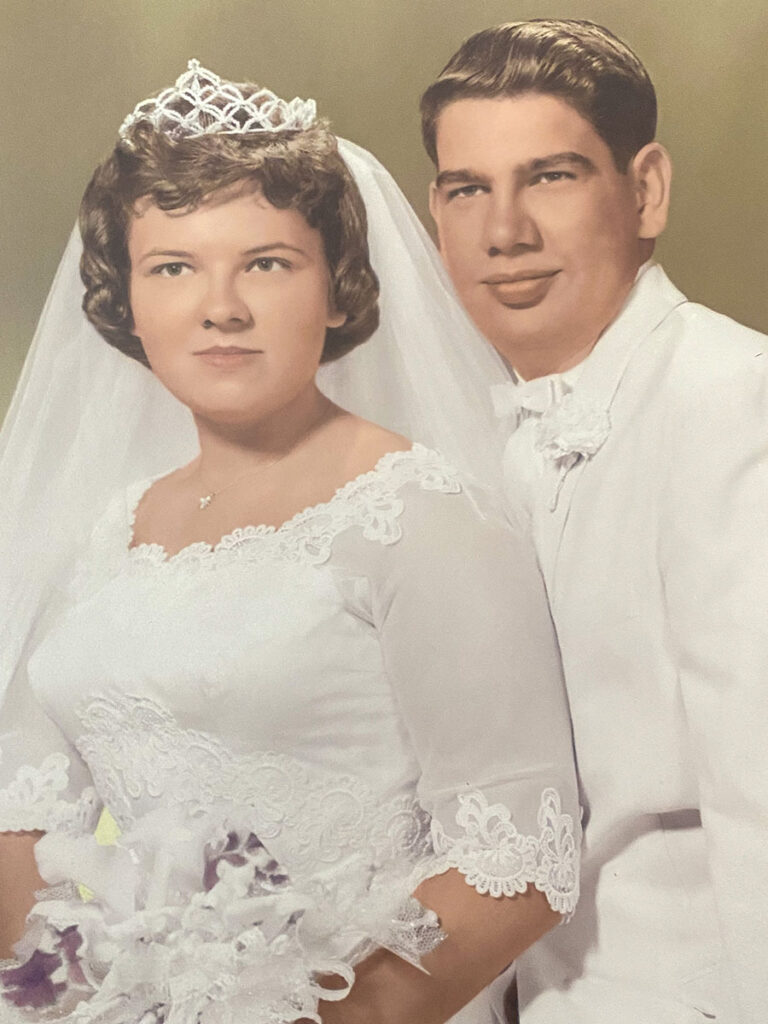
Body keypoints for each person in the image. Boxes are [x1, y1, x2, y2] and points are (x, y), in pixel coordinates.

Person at [0, 61, 580, 1024]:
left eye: (266, 263)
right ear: (127, 301)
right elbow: (25, 816)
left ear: (340, 291)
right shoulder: (111, 529)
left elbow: (516, 864)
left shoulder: (420, 516)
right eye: (172, 267)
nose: (218, 307)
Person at [421, 17, 768, 1024]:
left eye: (553, 177)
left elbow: (760, 788)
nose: (505, 230)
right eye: (467, 189)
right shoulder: (455, 437)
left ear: (646, 189)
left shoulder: (729, 399)